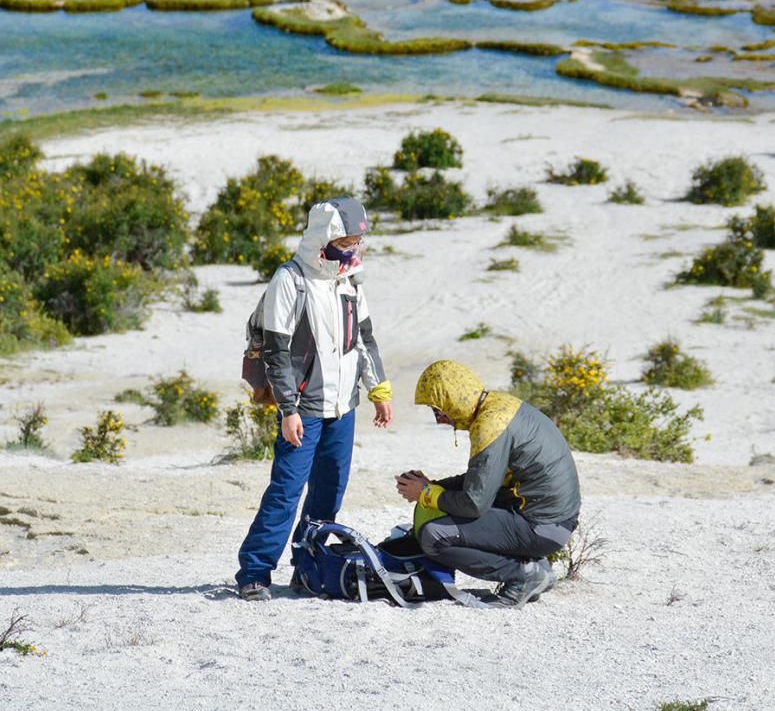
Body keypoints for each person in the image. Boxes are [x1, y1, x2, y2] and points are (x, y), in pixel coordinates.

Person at [236, 196, 392, 601]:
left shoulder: (349, 282)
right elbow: (276, 351)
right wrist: (288, 410)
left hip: (344, 408)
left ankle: (307, 568)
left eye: (358, 241)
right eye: (348, 241)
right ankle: (254, 572)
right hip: (303, 409)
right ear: (325, 238)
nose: (354, 249)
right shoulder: (290, 280)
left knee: (329, 490)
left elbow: (365, 339)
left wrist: (379, 390)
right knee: (286, 490)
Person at [395, 359, 581, 608]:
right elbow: (482, 481)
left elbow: (474, 503)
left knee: (434, 534)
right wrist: (432, 485)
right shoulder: (499, 408)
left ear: (454, 397)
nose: (439, 420)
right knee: (442, 514)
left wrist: (426, 494)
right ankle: (534, 568)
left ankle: (523, 575)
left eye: (438, 410)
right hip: (551, 520)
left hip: (541, 526)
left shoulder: (490, 425)